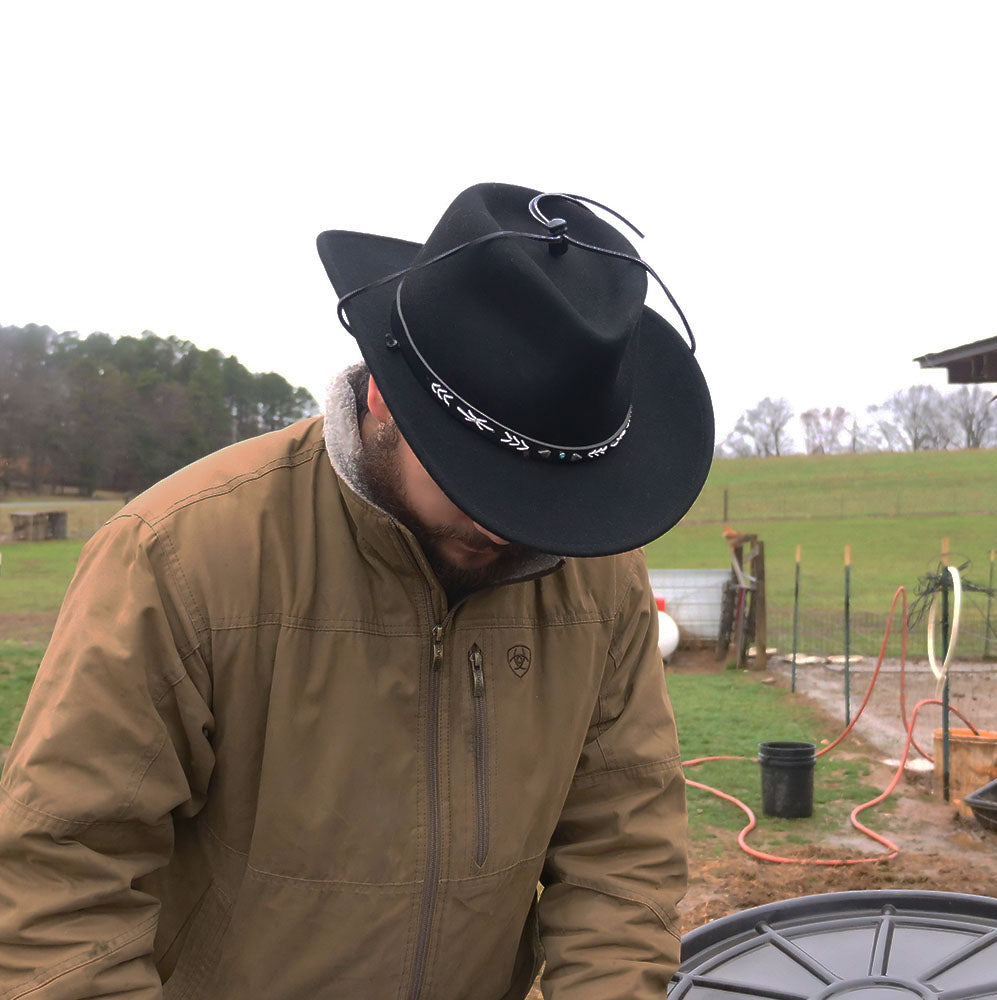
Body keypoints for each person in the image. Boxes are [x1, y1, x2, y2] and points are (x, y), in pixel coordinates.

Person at [0, 182, 714, 999]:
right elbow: (62, 882)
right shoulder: (180, 557)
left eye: (543, 501)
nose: (510, 529)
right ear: (385, 393)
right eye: (479, 485)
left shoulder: (595, 578)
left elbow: (621, 857)